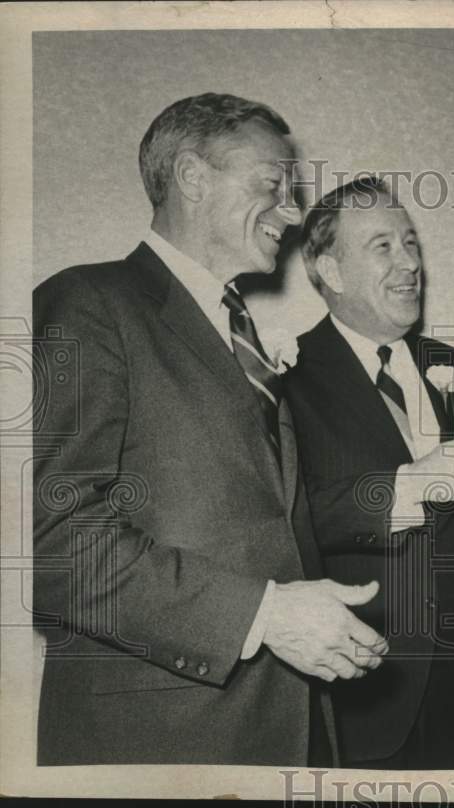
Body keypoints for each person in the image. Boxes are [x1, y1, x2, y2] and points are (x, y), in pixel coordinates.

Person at [32, 93, 387, 766]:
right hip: (159, 743)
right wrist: (263, 615)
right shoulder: (88, 304)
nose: (291, 212)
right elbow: (48, 542)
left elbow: (267, 518)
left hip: (287, 730)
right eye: (272, 185)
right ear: (192, 177)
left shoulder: (237, 332)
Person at [285, 176, 454, 769]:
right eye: (383, 247)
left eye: (410, 243)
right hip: (361, 693)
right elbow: (285, 518)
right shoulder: (286, 377)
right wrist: (405, 487)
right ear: (330, 270)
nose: (409, 263)